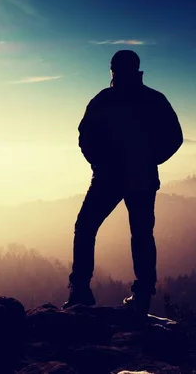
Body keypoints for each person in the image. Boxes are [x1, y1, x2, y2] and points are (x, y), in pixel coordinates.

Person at [63, 50, 183, 314]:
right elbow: (174, 137)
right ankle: (141, 298)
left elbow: (85, 136)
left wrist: (99, 162)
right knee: (141, 235)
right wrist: (150, 159)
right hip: (142, 178)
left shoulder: (104, 99)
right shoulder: (154, 99)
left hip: (108, 178)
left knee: (85, 227)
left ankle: (80, 290)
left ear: (113, 70)